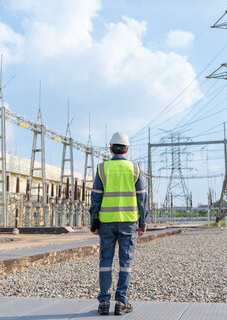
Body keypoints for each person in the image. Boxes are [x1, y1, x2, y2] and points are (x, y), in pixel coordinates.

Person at [89, 131, 148, 316]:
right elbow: (142, 199)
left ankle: (104, 302)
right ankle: (121, 302)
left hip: (106, 223)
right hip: (129, 223)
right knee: (126, 262)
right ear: (127, 149)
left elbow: (95, 199)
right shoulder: (136, 169)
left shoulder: (102, 169)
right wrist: (143, 222)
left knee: (105, 261)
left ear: (110, 148)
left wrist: (94, 222)